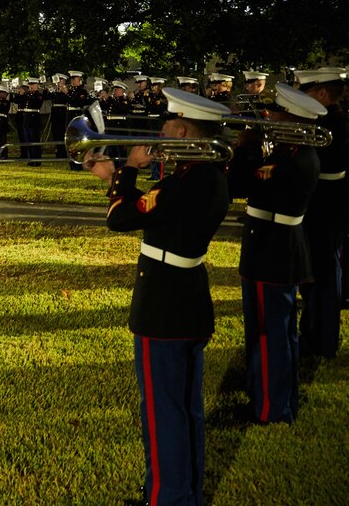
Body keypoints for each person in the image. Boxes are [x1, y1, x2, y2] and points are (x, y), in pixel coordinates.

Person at [84, 88, 231, 506]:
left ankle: (167, 499)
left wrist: (123, 172)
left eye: (167, 123)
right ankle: (184, 493)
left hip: (163, 306)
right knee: (185, 409)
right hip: (186, 299)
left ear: (183, 129)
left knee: (163, 411)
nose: (161, 129)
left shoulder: (186, 182)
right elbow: (153, 209)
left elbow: (121, 218)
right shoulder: (206, 176)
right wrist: (119, 175)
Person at [228, 83, 325, 424]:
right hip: (274, 246)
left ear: (294, 120)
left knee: (270, 333)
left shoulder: (291, 158)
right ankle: (273, 396)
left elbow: (238, 186)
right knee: (276, 331)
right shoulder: (290, 152)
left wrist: (246, 148)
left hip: (272, 250)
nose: (271, 117)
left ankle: (272, 407)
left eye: (278, 113)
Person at [294, 69, 348, 359]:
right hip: (328, 207)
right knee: (319, 274)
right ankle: (316, 333)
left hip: (325, 208)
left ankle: (321, 338)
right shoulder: (332, 121)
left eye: (309, 93)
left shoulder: (329, 125)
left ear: (323, 95)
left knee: (322, 276)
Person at [21, 78, 44, 166]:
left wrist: (27, 94)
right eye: (30, 84)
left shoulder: (38, 95)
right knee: (28, 140)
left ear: (37, 85)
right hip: (26, 119)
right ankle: (30, 159)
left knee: (34, 141)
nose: (30, 86)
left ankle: (37, 160)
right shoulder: (27, 95)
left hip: (34, 119)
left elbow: (36, 103)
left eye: (32, 84)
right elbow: (20, 101)